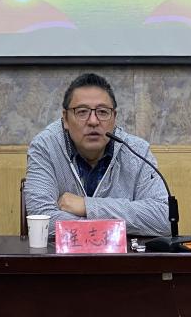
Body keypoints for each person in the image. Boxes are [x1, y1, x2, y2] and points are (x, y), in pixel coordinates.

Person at [24, 73, 169, 237]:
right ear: (65, 119)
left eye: (102, 112)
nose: (93, 121)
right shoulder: (45, 147)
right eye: (82, 112)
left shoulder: (137, 151)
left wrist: (87, 206)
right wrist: (113, 225)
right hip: (61, 254)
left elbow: (164, 217)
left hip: (124, 254)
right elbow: (41, 220)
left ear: (114, 118)